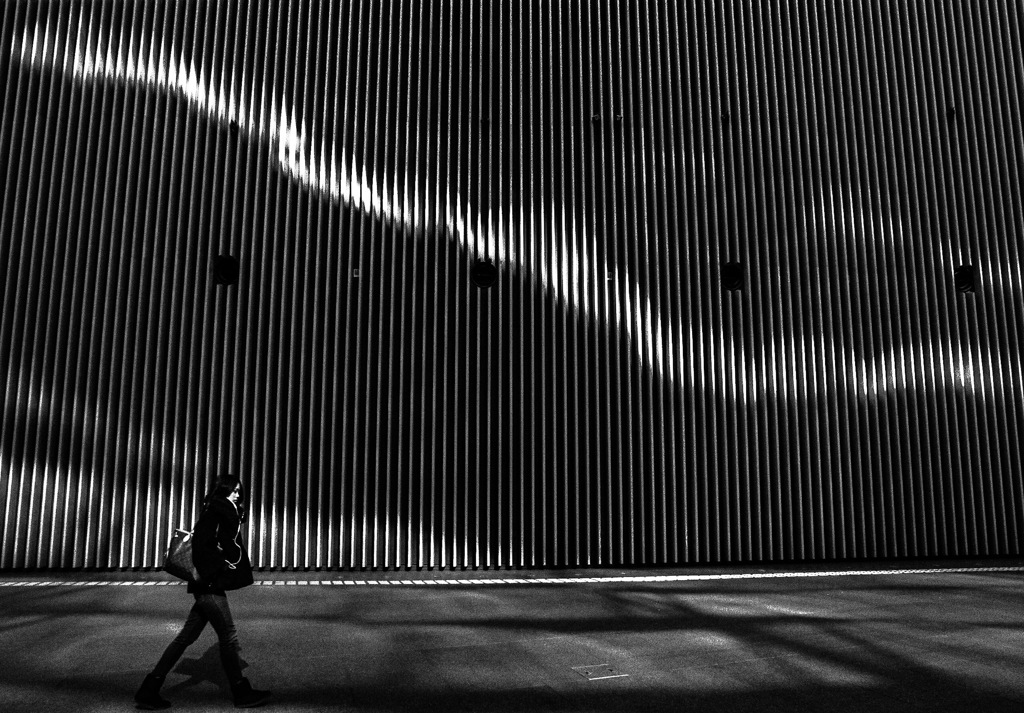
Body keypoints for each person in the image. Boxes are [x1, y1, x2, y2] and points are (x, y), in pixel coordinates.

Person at [135, 475, 272, 709]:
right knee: (228, 637)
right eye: (233, 490)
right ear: (222, 490)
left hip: (208, 583)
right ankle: (240, 692)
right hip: (210, 584)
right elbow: (201, 544)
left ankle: (149, 689)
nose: (238, 494)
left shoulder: (221, 511)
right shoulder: (217, 511)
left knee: (185, 637)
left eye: (240, 491)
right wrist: (219, 568)